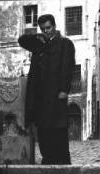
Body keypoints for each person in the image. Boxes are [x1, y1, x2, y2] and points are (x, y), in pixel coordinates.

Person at [18, 14, 75, 164]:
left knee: (58, 127)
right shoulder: (39, 45)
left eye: (48, 28)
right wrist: (38, 36)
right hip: (40, 94)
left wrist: (64, 89)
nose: (46, 31)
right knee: (43, 128)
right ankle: (48, 158)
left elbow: (68, 68)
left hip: (56, 93)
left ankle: (62, 160)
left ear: (54, 26)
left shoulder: (65, 44)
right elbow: (22, 40)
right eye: (43, 29)